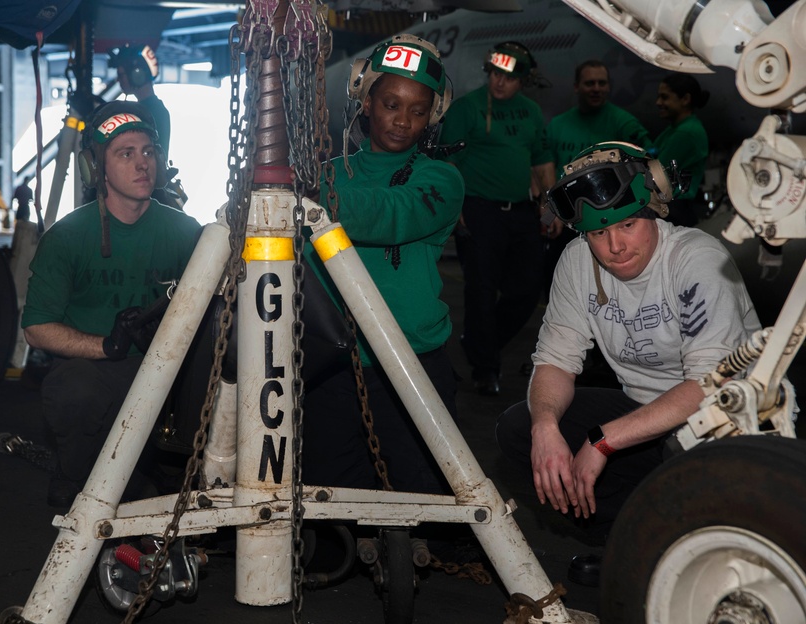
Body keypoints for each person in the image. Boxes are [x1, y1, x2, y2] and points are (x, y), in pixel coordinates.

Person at [495, 142, 759, 584]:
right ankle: (629, 538)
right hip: (644, 414)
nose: (615, 246)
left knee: (681, 447)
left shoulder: (697, 260)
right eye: (598, 233)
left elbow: (707, 386)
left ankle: (680, 547)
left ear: (653, 211)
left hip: (728, 419)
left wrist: (603, 441)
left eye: (629, 225)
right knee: (521, 427)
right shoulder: (577, 263)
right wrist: (545, 428)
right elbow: (556, 362)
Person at [302, 34, 464, 495]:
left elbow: (390, 215)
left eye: (418, 111)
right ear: (366, 102)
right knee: (329, 502)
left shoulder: (441, 179)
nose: (403, 121)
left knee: (427, 500)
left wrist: (308, 192)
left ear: (432, 117)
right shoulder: (327, 174)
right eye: (392, 104)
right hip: (332, 365)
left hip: (412, 361)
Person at [21, 100, 202, 507]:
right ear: (95, 168)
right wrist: (107, 345)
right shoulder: (68, 237)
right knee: (74, 389)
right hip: (100, 371)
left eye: (148, 152)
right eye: (126, 153)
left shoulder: (185, 232)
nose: (143, 164)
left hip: (166, 370)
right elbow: (36, 327)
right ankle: (84, 483)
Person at [439, 41, 555, 395]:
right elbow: (447, 164)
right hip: (479, 210)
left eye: (508, 77)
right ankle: (485, 368)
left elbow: (542, 161)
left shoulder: (531, 112)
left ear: (522, 80)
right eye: (495, 75)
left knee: (527, 287)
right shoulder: (467, 109)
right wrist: (455, 212)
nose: (499, 83)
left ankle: (478, 342)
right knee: (482, 290)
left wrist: (551, 207)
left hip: (520, 211)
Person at [542, 60, 651, 298]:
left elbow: (649, 162)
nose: (596, 88)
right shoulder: (558, 126)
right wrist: (550, 210)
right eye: (589, 83)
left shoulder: (624, 124)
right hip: (569, 220)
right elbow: (545, 167)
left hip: (612, 222)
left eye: (602, 83)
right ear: (576, 87)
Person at [652, 73, 710, 227]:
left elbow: (655, 172)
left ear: (685, 99)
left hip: (677, 210)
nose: (658, 102)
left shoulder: (686, 133)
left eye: (665, 97)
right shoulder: (676, 129)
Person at [109, 44, 171, 159]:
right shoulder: (154, 109)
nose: (118, 80)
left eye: (120, 75)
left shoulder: (146, 113)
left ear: (136, 75)